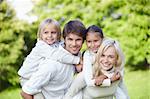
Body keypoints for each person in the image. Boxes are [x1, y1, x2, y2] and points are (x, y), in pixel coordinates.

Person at [20, 19, 86, 99]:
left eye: (78, 40)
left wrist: (79, 60)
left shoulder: (57, 46)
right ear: (64, 39)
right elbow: (25, 92)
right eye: (70, 39)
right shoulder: (49, 57)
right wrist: (77, 61)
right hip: (27, 77)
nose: (74, 44)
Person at [64, 25, 129, 99]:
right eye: (89, 41)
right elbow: (88, 80)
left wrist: (106, 76)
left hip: (104, 83)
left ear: (102, 39)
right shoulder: (88, 55)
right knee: (81, 78)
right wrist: (109, 80)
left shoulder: (106, 49)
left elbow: (118, 72)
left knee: (119, 88)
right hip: (87, 84)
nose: (92, 45)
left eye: (95, 41)